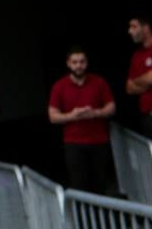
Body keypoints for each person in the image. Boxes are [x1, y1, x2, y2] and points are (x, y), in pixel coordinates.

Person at [48, 47, 117, 195]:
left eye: (82, 62)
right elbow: (53, 116)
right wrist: (72, 116)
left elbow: (111, 107)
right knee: (79, 184)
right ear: (68, 64)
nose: (78, 65)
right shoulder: (59, 86)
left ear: (87, 63)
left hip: (99, 141)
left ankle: (103, 215)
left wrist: (95, 113)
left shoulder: (99, 82)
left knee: (101, 182)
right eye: (74, 62)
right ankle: (84, 216)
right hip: (74, 143)